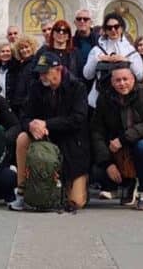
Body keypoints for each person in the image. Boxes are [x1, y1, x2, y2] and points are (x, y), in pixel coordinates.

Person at [10, 52, 91, 211]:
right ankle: (22, 192)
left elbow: (77, 119)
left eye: (45, 72)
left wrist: (47, 124)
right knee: (22, 138)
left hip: (72, 145)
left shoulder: (77, 87)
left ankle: (78, 182)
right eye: (40, 73)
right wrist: (31, 125)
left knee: (76, 202)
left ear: (59, 69)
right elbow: (24, 115)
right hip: (46, 140)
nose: (42, 77)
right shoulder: (36, 87)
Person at [91, 64, 143, 211]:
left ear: (133, 79)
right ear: (112, 82)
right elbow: (96, 131)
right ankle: (127, 184)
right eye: (117, 80)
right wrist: (107, 163)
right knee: (96, 169)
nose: (122, 83)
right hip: (116, 150)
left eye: (125, 79)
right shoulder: (104, 98)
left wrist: (123, 139)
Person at [83, 13, 143, 108]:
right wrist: (98, 59)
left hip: (124, 101)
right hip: (99, 101)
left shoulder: (131, 50)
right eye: (109, 27)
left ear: (122, 28)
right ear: (105, 30)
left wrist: (126, 60)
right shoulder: (97, 50)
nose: (113, 30)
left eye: (116, 26)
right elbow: (87, 75)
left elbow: (140, 76)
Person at [7, 37, 38, 115]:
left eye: (26, 47)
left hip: (29, 106)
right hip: (17, 105)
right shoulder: (20, 65)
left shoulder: (36, 63)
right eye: (21, 48)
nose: (24, 50)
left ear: (32, 47)